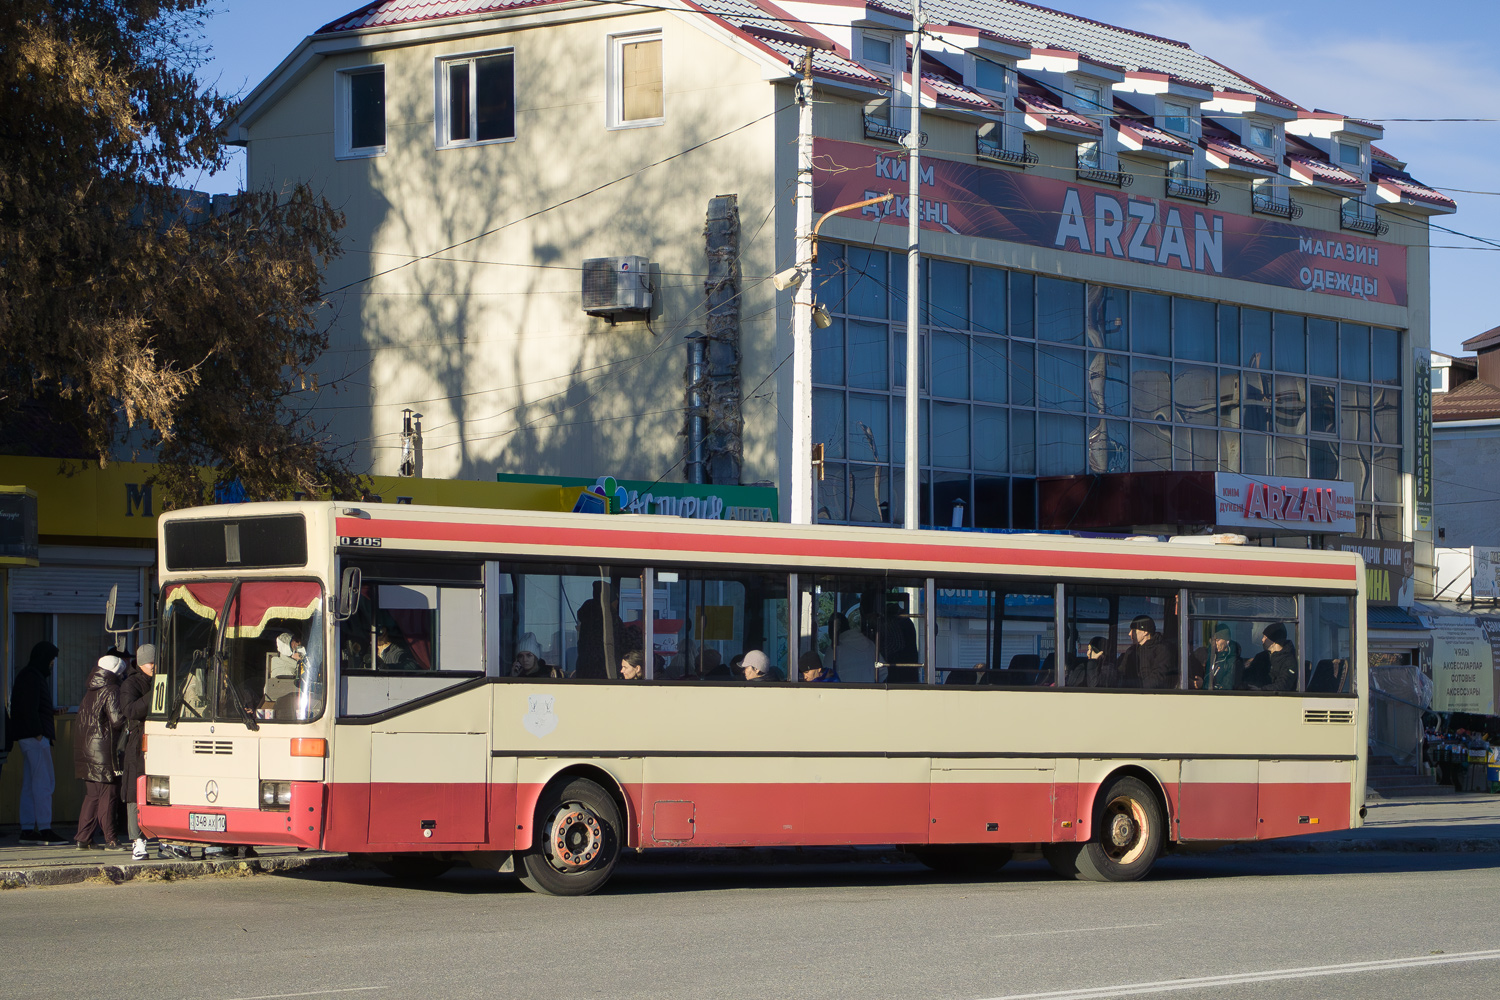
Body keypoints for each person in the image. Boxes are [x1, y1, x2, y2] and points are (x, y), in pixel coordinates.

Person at [12, 641, 64, 846]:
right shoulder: (33, 677)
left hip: (29, 737)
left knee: (30, 784)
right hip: (35, 738)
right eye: (51, 659)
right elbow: (28, 709)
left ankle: (27, 829)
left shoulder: (28, 675)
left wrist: (49, 712)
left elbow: (28, 706)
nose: (52, 664)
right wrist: (38, 733)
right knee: (44, 783)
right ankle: (44, 829)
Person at [74, 650, 128, 849]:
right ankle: (111, 839)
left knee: (93, 795)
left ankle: (83, 837)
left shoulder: (91, 689)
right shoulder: (112, 689)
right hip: (104, 751)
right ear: (116, 672)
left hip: (87, 749)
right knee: (109, 793)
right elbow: (117, 721)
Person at [120, 644, 158, 859]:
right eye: (150, 663)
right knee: (135, 792)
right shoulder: (130, 683)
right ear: (141, 663)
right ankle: (137, 840)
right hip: (137, 743)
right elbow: (130, 711)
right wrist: (155, 694)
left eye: (155, 662)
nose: (153, 666)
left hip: (160, 742)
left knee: (159, 792)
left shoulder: (163, 679)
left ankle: (165, 839)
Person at [575, 581, 624, 679]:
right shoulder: (610, 617)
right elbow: (620, 643)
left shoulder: (588, 614)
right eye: (616, 599)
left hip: (584, 669)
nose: (617, 603)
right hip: (605, 671)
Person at [1117, 615, 1176, 689]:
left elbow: (1159, 677)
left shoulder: (1162, 649)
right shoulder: (1131, 651)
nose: (1129, 634)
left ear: (1145, 632)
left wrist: (1137, 687)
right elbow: (1120, 672)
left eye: (1133, 630)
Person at [1243, 622, 1297, 691]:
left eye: (1265, 637)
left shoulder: (1289, 661)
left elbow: (1283, 685)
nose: (1262, 640)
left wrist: (1261, 690)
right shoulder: (1261, 657)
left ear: (1274, 641)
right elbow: (1249, 676)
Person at [828, 611, 876, 684]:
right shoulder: (870, 643)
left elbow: (826, 674)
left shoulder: (834, 649)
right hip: (870, 691)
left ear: (833, 629)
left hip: (842, 692)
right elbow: (883, 670)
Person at [1194, 625, 1242, 692]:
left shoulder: (1234, 661)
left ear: (1227, 641)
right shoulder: (1210, 656)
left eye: (1218, 640)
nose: (1215, 644)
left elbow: (1227, 687)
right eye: (1213, 641)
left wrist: (1203, 685)